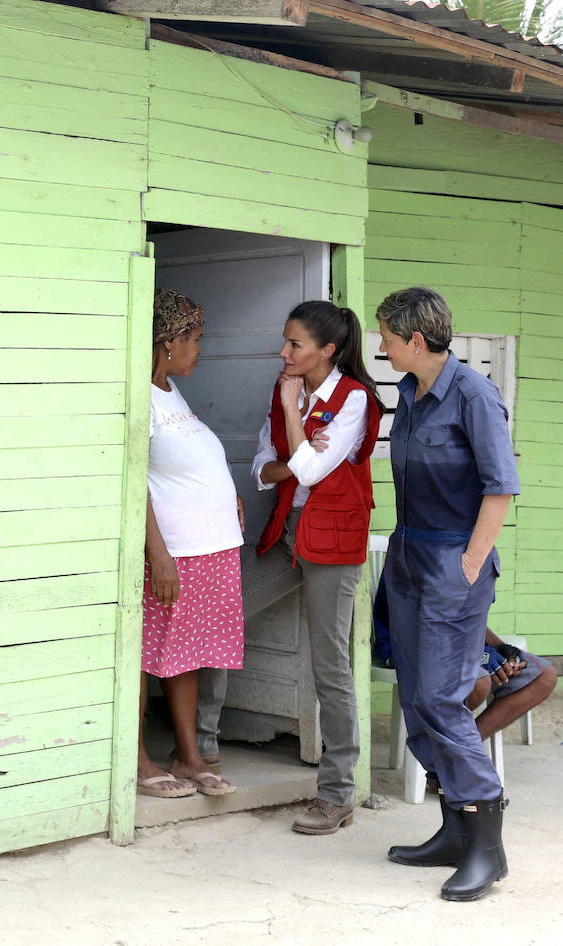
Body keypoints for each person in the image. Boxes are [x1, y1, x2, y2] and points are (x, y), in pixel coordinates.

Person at [374, 286, 521, 901]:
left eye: (386, 337)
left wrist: (468, 565)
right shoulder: (409, 395)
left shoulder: (473, 394)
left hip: (451, 567)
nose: (380, 347)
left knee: (442, 697)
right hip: (408, 561)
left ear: (415, 340)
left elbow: (500, 488)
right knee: (416, 696)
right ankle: (454, 831)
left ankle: (487, 841)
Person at [251, 300, 383, 834]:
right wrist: (293, 457)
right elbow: (266, 471)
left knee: (331, 666)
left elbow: (306, 468)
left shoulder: (353, 400)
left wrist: (290, 414)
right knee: (219, 615)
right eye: (286, 341)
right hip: (287, 534)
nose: (284, 352)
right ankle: (202, 752)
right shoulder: (290, 386)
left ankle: (337, 793)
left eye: (295, 345)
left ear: (328, 350)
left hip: (332, 540)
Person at [139, 289, 245, 799]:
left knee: (186, 656)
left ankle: (187, 756)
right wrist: (156, 552)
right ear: (168, 341)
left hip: (211, 546)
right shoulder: (138, 393)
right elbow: (133, 483)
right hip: (174, 550)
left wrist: (228, 497)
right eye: (194, 340)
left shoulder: (169, 390)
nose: (199, 350)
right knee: (145, 654)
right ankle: (136, 759)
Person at [372, 585, 557, 748]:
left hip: (459, 644)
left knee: (544, 676)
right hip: (410, 646)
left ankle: (459, 752)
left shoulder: (480, 553)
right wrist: (479, 655)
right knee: (478, 682)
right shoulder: (424, 550)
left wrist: (500, 648)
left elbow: (469, 618)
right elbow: (422, 625)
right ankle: (447, 758)